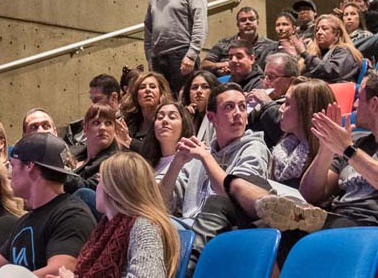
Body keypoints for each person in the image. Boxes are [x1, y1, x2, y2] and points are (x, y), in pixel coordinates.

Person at [259, 70, 378, 267]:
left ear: (374, 103)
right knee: (264, 230)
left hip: (373, 226)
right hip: (337, 216)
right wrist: (326, 149)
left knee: (292, 234)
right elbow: (311, 193)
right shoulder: (357, 141)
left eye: (360, 98)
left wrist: (348, 151)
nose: (355, 104)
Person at [184, 78, 335, 274]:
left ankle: (189, 270)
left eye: (287, 104)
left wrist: (326, 151)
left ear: (306, 111)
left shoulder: (331, 150)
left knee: (232, 191)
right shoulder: (282, 151)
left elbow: (311, 194)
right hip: (266, 218)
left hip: (304, 221)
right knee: (221, 202)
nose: (279, 109)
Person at [0, 133, 96, 278]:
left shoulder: (72, 215)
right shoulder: (25, 220)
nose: (9, 174)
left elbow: (60, 270)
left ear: (30, 166)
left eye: (13, 165)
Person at [53, 152, 180, 278]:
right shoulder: (108, 224)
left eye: (101, 180)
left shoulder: (145, 227)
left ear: (114, 189)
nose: (97, 187)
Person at [159, 83, 271, 225]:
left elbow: (233, 197)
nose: (238, 113)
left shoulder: (254, 148)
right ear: (212, 118)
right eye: (229, 107)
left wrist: (206, 157)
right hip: (190, 224)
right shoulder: (202, 153)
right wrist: (176, 163)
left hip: (225, 230)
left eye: (242, 107)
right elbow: (161, 201)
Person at [144, 0, 208, 94]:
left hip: (182, 56)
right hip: (158, 59)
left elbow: (200, 24)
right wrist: (149, 58)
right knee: (163, 103)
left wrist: (191, 55)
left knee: (183, 103)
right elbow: (148, 28)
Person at [245, 53, 301, 150]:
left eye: (271, 77)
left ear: (291, 81)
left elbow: (282, 133)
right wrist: (242, 106)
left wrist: (267, 103)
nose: (266, 82)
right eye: (264, 76)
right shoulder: (265, 100)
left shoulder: (299, 102)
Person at [289, 14, 363, 83]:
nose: (319, 32)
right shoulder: (316, 53)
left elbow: (331, 72)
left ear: (337, 34)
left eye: (324, 29)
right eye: (317, 30)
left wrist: (304, 53)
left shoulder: (345, 51)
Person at [202, 7, 277, 74]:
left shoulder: (270, 46)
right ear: (238, 25)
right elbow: (204, 65)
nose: (247, 22)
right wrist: (225, 64)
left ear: (257, 23)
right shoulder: (224, 43)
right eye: (243, 20)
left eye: (251, 19)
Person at [64, 103, 118, 192]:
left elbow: (87, 189)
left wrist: (57, 172)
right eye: (96, 123)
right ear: (85, 128)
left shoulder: (115, 163)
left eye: (108, 123)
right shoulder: (73, 150)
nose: (102, 128)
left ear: (114, 129)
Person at [115, 72, 173, 152]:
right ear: (136, 95)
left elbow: (159, 153)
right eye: (142, 87)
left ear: (161, 93)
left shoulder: (167, 121)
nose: (148, 90)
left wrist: (129, 141)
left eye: (152, 87)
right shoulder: (130, 122)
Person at [139, 102, 195, 182]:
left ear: (184, 125)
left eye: (172, 117)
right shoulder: (145, 165)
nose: (164, 120)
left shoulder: (192, 161)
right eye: (160, 117)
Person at [64, 74, 120, 147]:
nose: (93, 105)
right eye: (92, 99)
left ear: (113, 97)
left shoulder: (129, 124)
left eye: (97, 99)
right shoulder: (76, 128)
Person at [179, 70, 219, 144]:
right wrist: (185, 121)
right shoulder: (187, 116)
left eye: (205, 87)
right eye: (194, 88)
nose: (199, 91)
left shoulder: (219, 117)